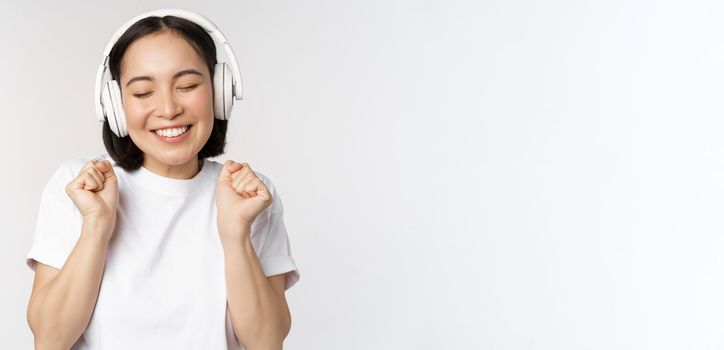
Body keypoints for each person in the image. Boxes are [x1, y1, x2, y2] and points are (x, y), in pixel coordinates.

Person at [24, 9, 300, 350]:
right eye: (143, 93)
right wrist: (96, 226)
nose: (168, 108)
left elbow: (266, 343)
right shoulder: (79, 187)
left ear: (219, 93)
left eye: (187, 86)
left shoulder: (249, 194)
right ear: (114, 105)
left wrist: (235, 234)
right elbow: (50, 340)